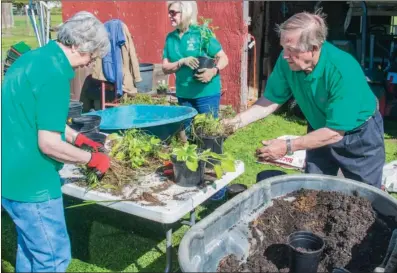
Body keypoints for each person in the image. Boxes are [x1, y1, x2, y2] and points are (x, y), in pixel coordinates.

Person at [223, 11, 385, 188]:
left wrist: (287, 146)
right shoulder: (287, 61)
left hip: (358, 136)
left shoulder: (342, 70)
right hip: (319, 130)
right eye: (284, 47)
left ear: (314, 48)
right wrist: (234, 124)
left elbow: (334, 132)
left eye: (292, 50)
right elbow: (270, 100)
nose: (285, 55)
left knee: (364, 198)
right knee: (313, 190)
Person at [2, 11, 111, 272]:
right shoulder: (55, 74)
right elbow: (48, 143)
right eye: (92, 54)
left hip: (9, 175)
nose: (90, 62)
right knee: (52, 258)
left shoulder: (33, 59)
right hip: (33, 184)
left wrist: (78, 137)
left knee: (30, 252)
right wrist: (91, 158)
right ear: (78, 45)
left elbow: (39, 116)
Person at [162, 1, 228, 137]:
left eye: (173, 12)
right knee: (188, 133)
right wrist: (181, 62)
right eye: (169, 12)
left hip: (206, 93)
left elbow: (223, 58)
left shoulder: (201, 33)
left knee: (208, 132)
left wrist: (213, 70)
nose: (170, 16)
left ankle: (210, 157)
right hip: (184, 94)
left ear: (185, 13)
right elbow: (165, 67)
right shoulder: (170, 38)